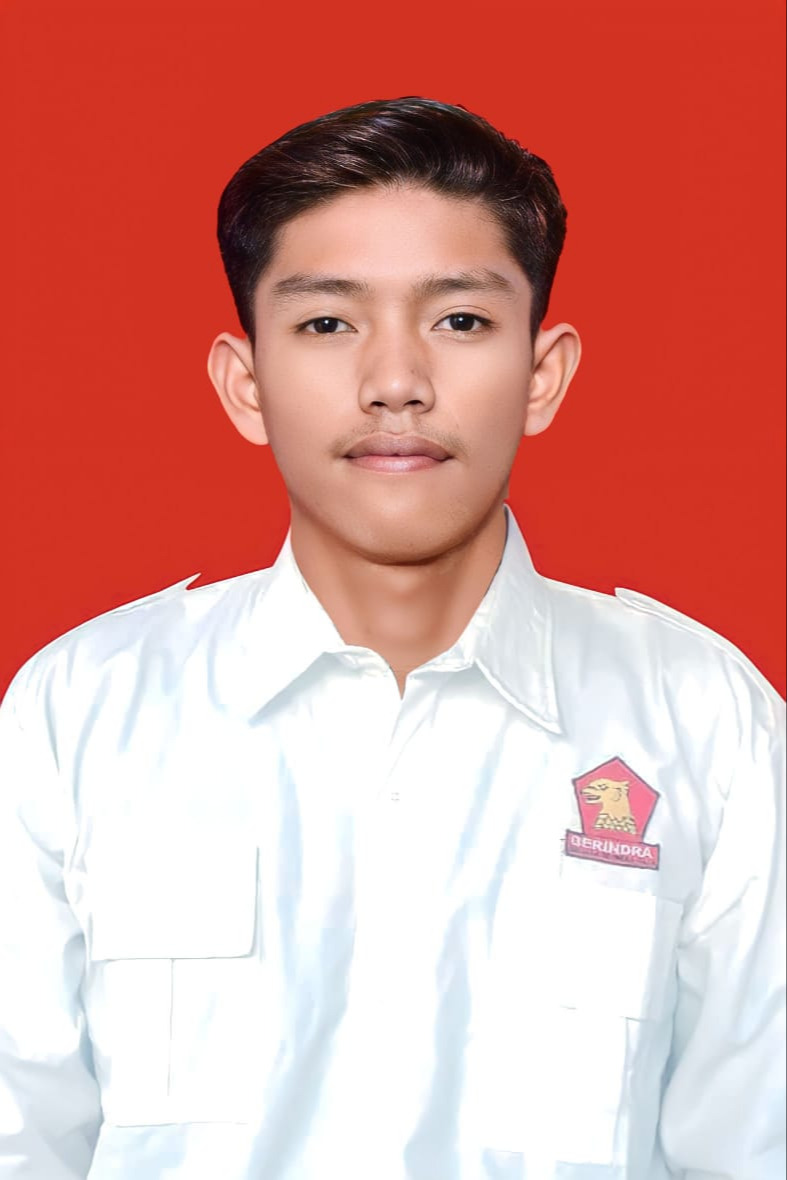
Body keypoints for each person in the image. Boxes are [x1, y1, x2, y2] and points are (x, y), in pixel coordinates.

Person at [0, 97, 783, 1180]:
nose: (396, 383)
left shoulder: (701, 719)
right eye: (328, 323)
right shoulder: (81, 712)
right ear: (245, 384)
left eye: (458, 320)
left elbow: (754, 1145)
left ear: (542, 373)